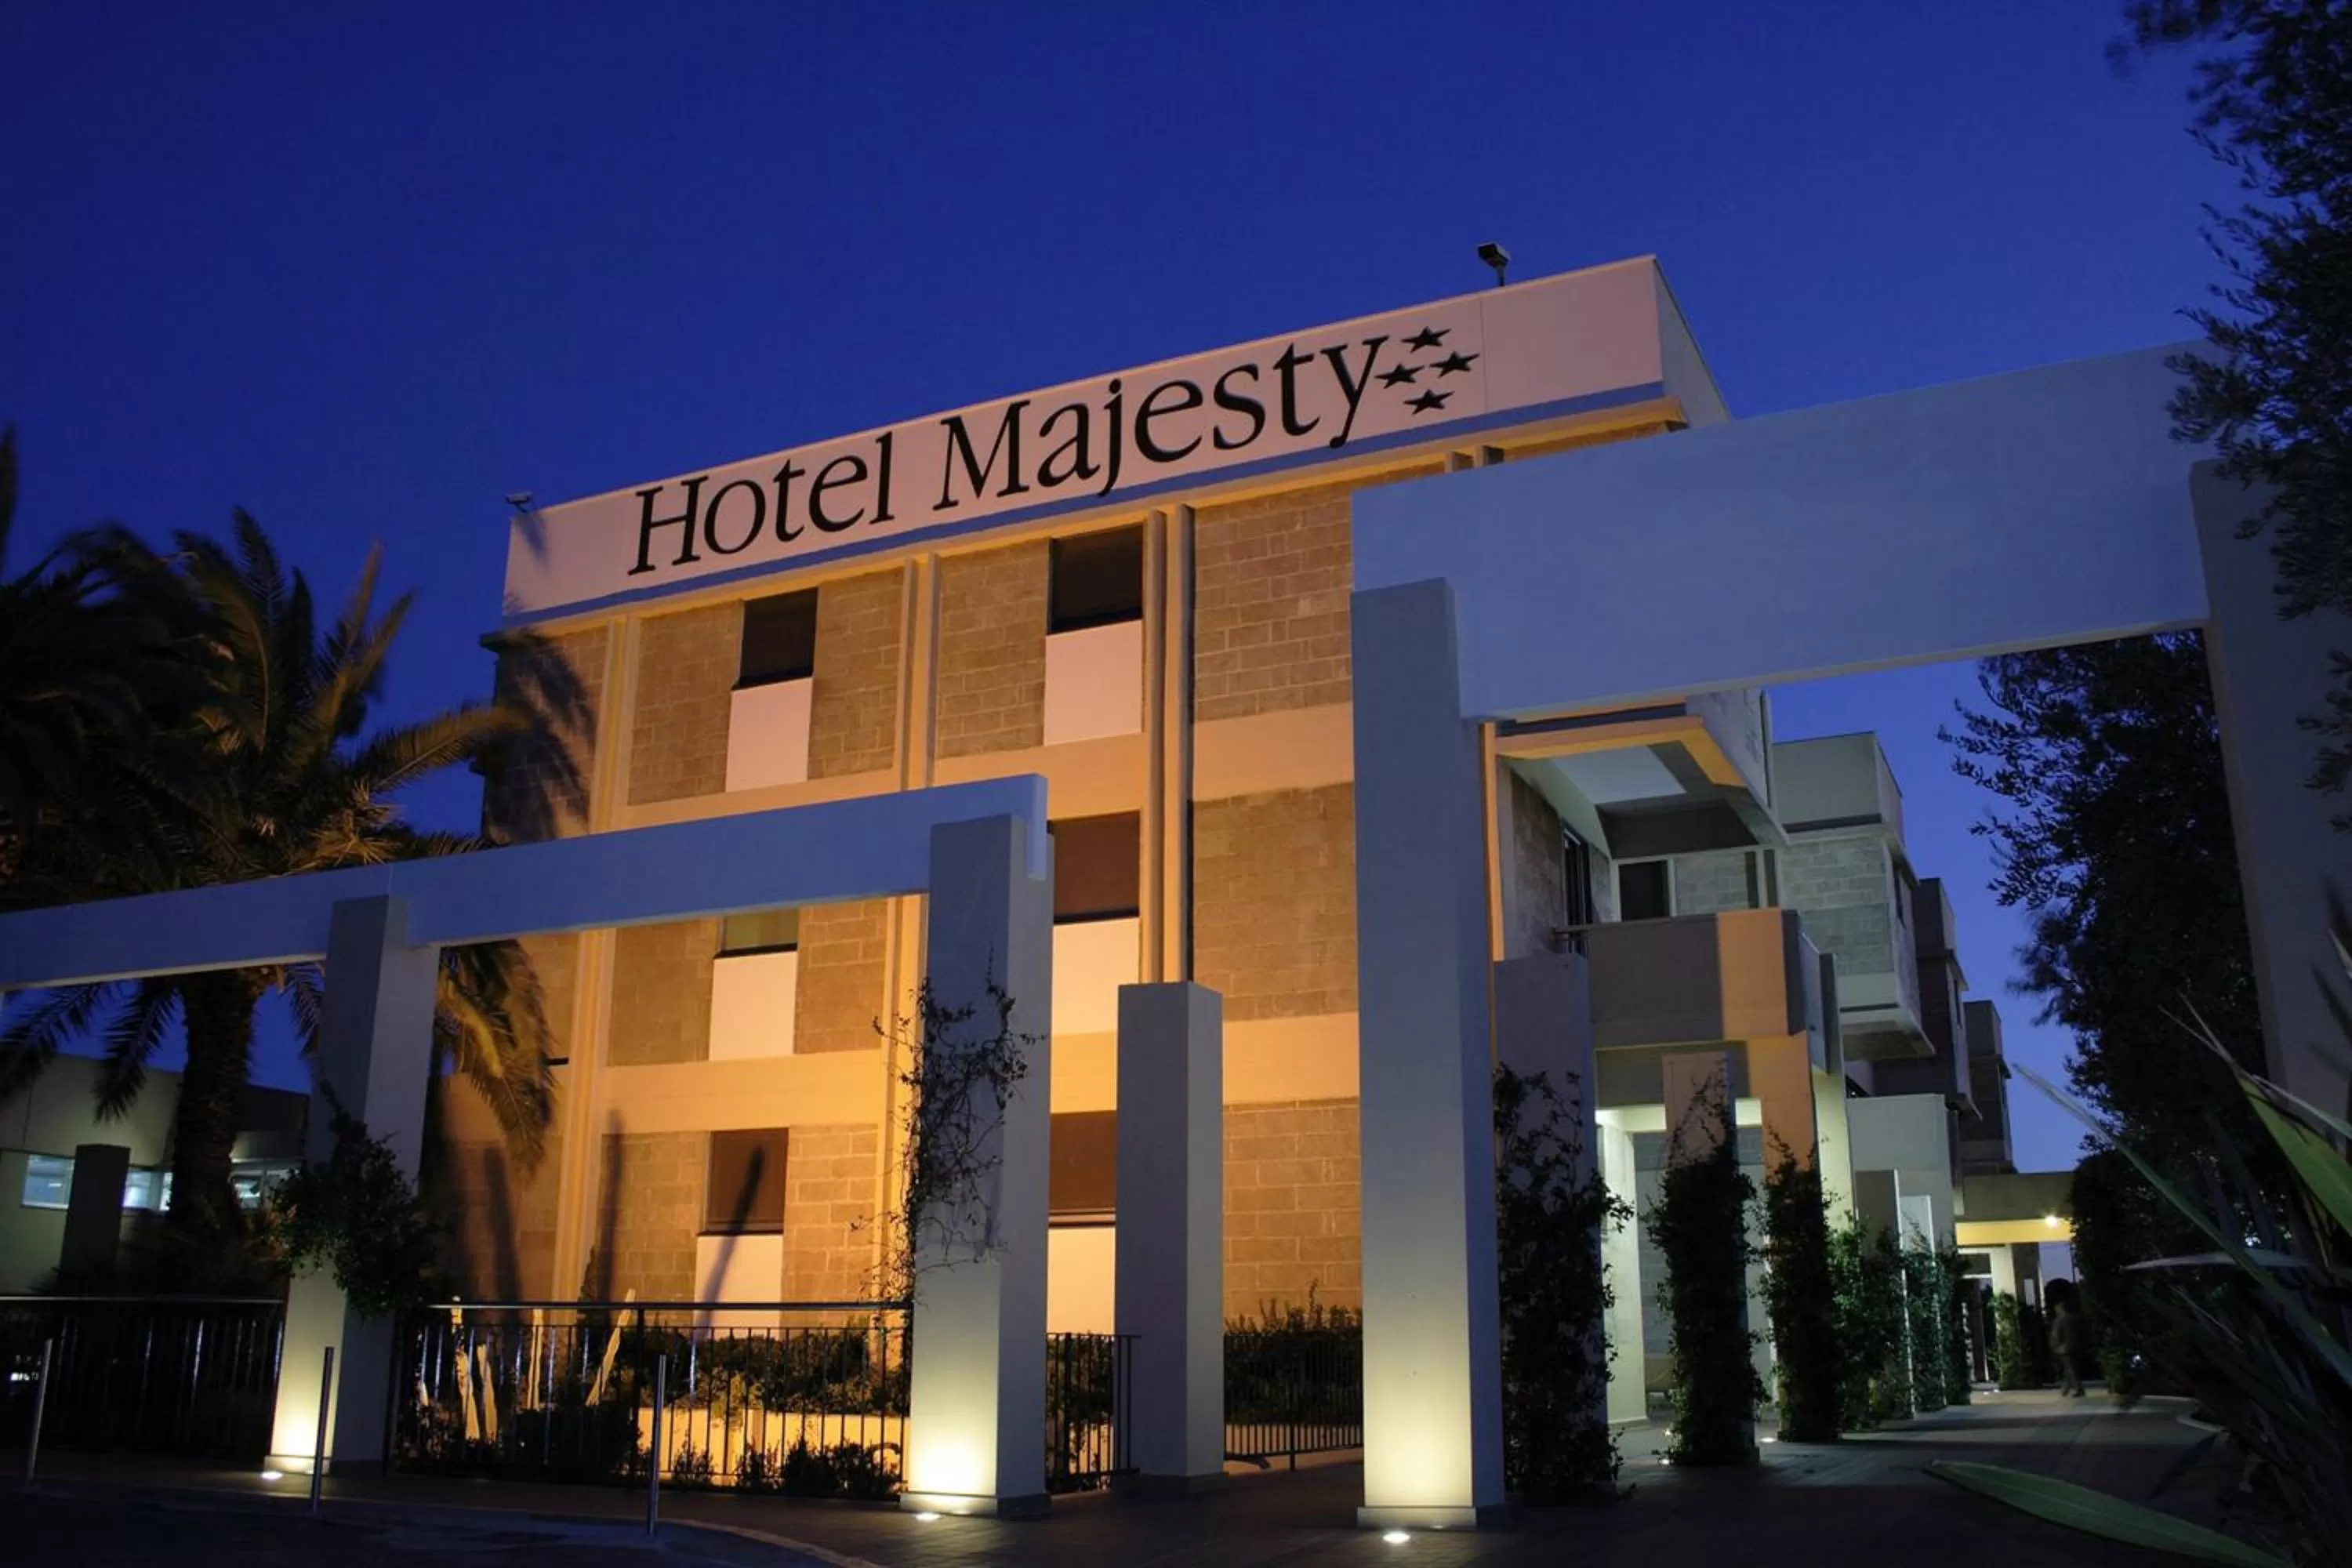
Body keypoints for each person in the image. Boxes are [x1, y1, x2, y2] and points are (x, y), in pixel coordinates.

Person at [2048, 1290, 2085, 1397]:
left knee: (2070, 1369)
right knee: (2070, 1368)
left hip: (2064, 1348)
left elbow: (2055, 1335)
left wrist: (2055, 1347)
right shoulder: (2072, 1318)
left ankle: (2078, 1389)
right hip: (2073, 1346)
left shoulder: (2060, 1320)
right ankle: (2065, 1389)